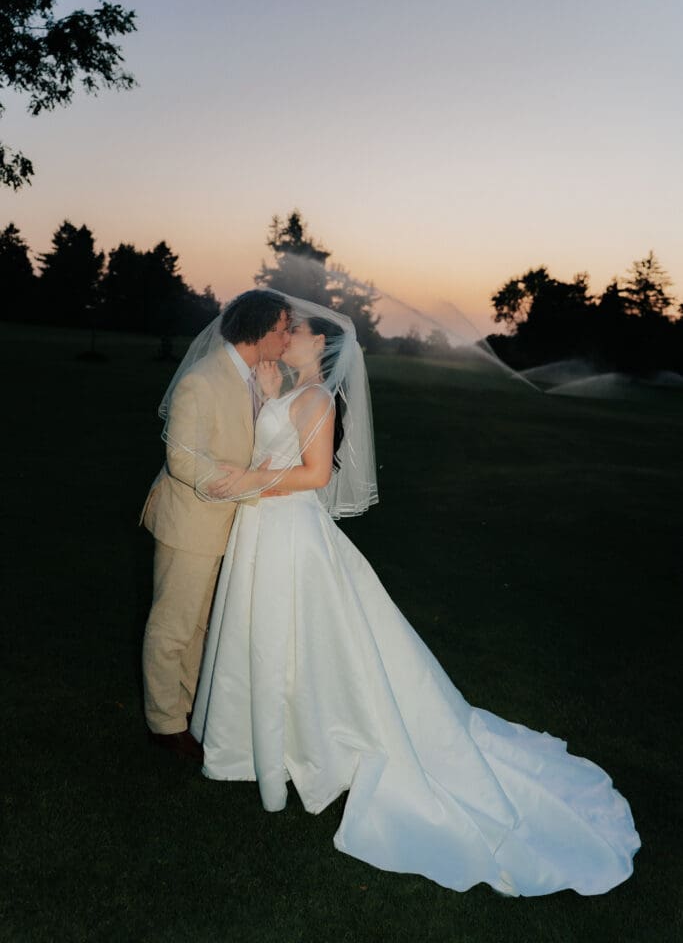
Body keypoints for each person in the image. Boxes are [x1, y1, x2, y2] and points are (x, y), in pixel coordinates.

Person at [181, 294, 639, 896]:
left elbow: (316, 476)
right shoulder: (291, 393)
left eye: (296, 331)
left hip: (285, 529)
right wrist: (268, 406)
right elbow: (283, 448)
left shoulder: (317, 396)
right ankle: (273, 740)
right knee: (272, 635)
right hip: (268, 528)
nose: (286, 335)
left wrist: (249, 483)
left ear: (321, 344)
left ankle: (293, 746)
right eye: (285, 330)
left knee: (285, 634)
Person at [140, 289, 291, 760]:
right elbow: (181, 457)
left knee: (202, 626)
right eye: (284, 329)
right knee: (173, 625)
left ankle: (186, 712)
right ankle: (163, 725)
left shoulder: (262, 375)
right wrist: (243, 485)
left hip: (229, 526)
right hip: (190, 521)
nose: (288, 340)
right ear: (260, 331)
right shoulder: (202, 381)